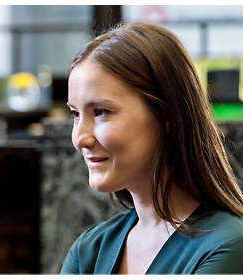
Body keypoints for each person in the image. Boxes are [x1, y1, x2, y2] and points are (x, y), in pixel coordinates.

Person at [61, 21, 243, 275]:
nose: (80, 138)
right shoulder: (89, 250)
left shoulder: (229, 246)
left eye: (101, 112)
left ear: (166, 115)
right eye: (75, 114)